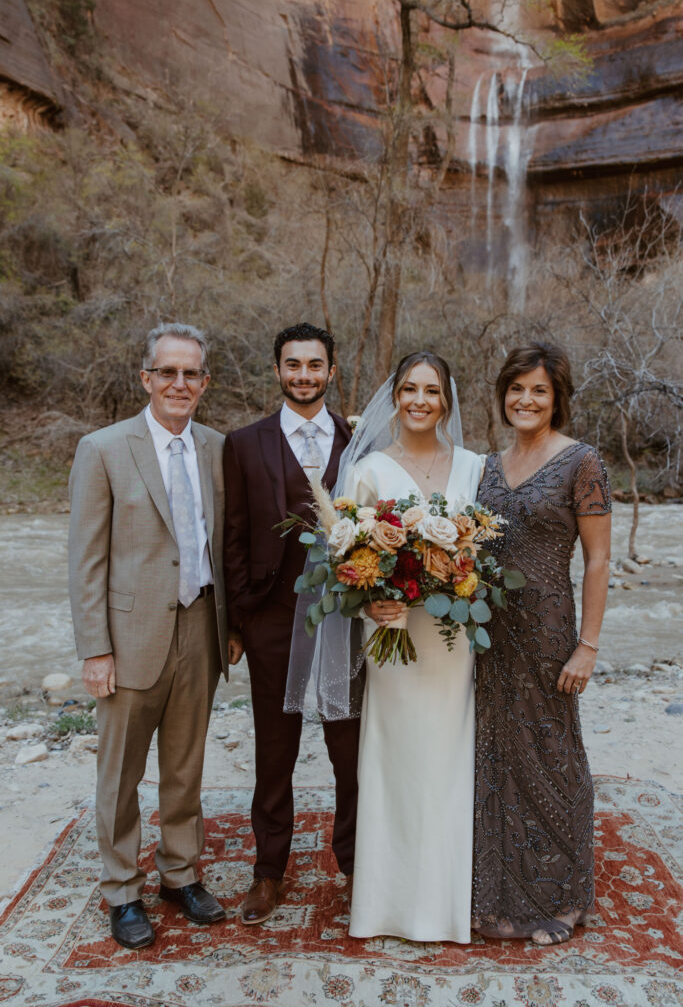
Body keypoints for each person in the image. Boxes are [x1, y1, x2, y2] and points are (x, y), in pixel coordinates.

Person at [297, 351, 482, 943]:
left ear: (447, 400)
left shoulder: (476, 468)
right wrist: (368, 599)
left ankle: (446, 905)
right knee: (397, 764)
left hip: (453, 646)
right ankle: (386, 905)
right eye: (409, 389)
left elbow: (487, 552)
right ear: (395, 397)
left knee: (449, 765)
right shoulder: (369, 469)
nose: (420, 400)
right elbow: (342, 560)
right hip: (394, 634)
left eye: (431, 390)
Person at [68, 323, 241, 950]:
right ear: (146, 379)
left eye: (191, 373)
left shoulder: (219, 449)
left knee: (185, 766)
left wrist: (234, 628)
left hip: (201, 625)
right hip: (129, 633)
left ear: (205, 382)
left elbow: (228, 544)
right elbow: (85, 558)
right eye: (167, 372)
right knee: (119, 773)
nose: (179, 383)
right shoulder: (104, 448)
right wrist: (94, 648)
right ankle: (121, 890)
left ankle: (180, 874)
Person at [472, 342, 611, 946]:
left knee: (553, 757)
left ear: (557, 400)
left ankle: (565, 897)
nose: (525, 400)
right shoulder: (485, 465)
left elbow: (600, 560)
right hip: (488, 632)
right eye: (516, 389)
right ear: (503, 394)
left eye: (539, 391)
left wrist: (588, 646)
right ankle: (499, 896)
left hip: (550, 632)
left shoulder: (581, 461)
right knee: (495, 757)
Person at [223, 323, 360, 925]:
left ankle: (356, 864)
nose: (303, 374)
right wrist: (237, 621)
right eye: (292, 364)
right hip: (272, 617)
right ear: (277, 371)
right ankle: (268, 871)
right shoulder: (245, 443)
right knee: (274, 750)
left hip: (344, 620)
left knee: (350, 750)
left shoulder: (360, 443)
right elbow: (231, 536)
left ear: (333, 371)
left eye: (314, 365)